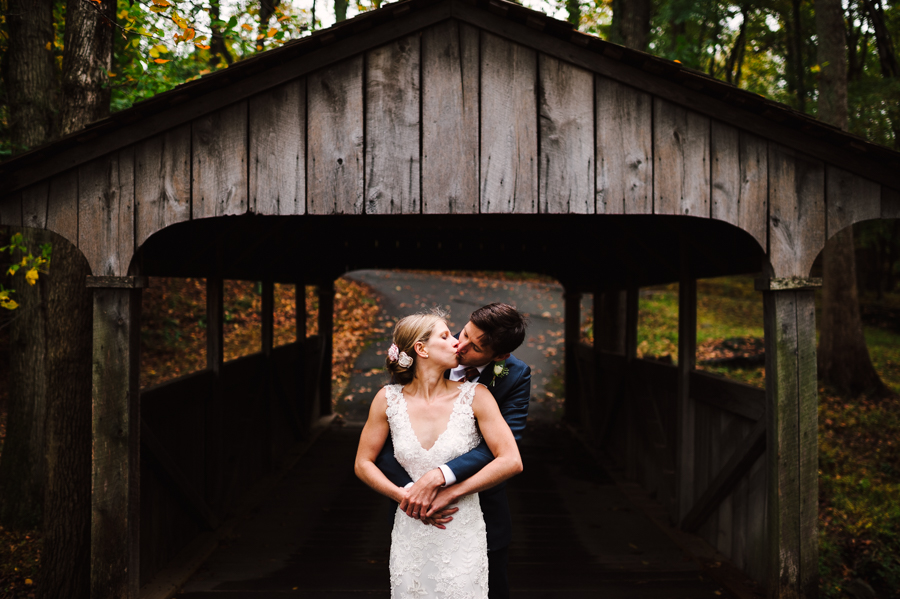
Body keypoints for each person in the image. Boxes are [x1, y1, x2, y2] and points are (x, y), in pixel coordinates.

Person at [355, 310, 524, 598]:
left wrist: (450, 490)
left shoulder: (478, 395)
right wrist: (405, 497)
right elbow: (365, 461)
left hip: (463, 525)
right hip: (411, 525)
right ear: (421, 349)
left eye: (469, 342)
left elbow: (510, 458)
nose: (458, 343)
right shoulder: (387, 399)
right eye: (449, 336)